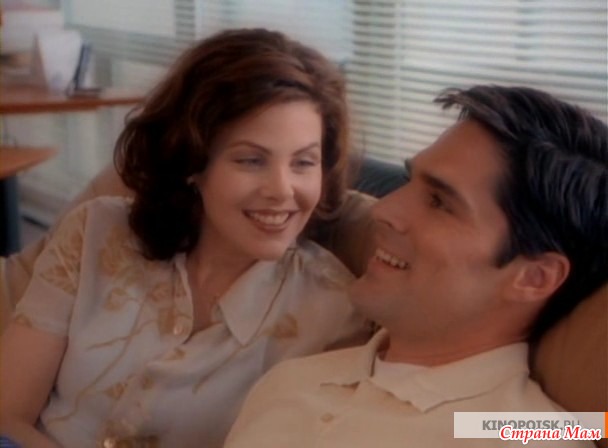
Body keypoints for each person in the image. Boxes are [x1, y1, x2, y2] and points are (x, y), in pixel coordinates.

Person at [0, 28, 368, 448]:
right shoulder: (94, 233)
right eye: (251, 160)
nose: (282, 190)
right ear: (192, 162)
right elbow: (8, 416)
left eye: (303, 163)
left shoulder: (336, 316)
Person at [224, 85, 608, 448]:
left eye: (439, 202)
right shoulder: (288, 383)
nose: (384, 209)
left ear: (534, 277)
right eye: (410, 181)